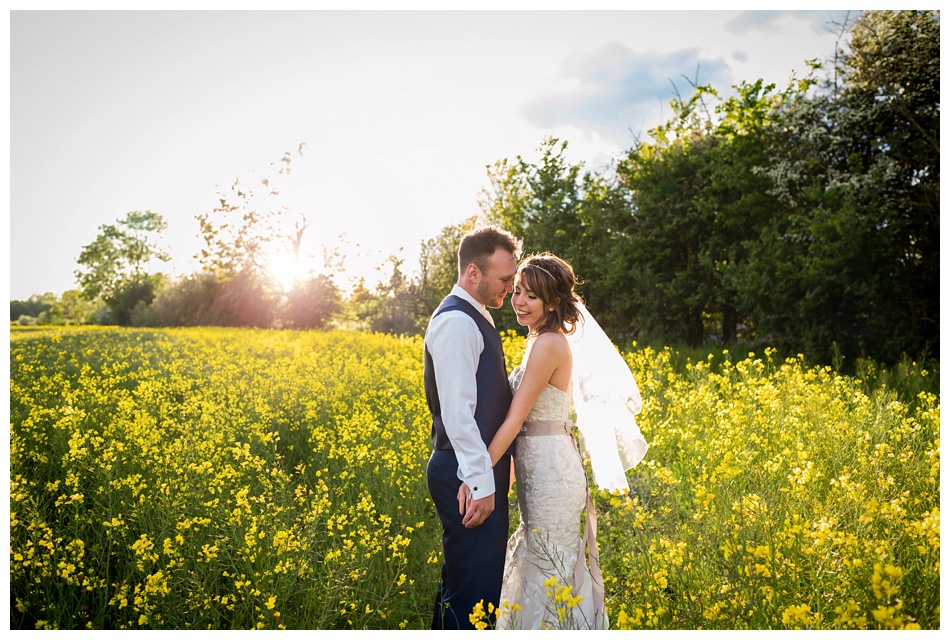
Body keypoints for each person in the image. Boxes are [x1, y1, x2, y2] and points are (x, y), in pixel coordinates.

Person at [458, 252, 648, 630]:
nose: (518, 302)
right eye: (518, 292)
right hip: (540, 466)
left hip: (552, 473)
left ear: (554, 302)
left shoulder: (548, 344)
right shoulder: (539, 340)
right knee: (541, 560)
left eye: (531, 296)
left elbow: (516, 419)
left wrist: (476, 473)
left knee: (550, 567)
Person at [423, 225, 522, 629]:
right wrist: (481, 483)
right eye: (504, 280)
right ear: (473, 274)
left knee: (467, 584)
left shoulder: (475, 316)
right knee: (474, 593)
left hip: (474, 468)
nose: (510, 290)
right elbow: (458, 415)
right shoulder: (457, 323)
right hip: (465, 474)